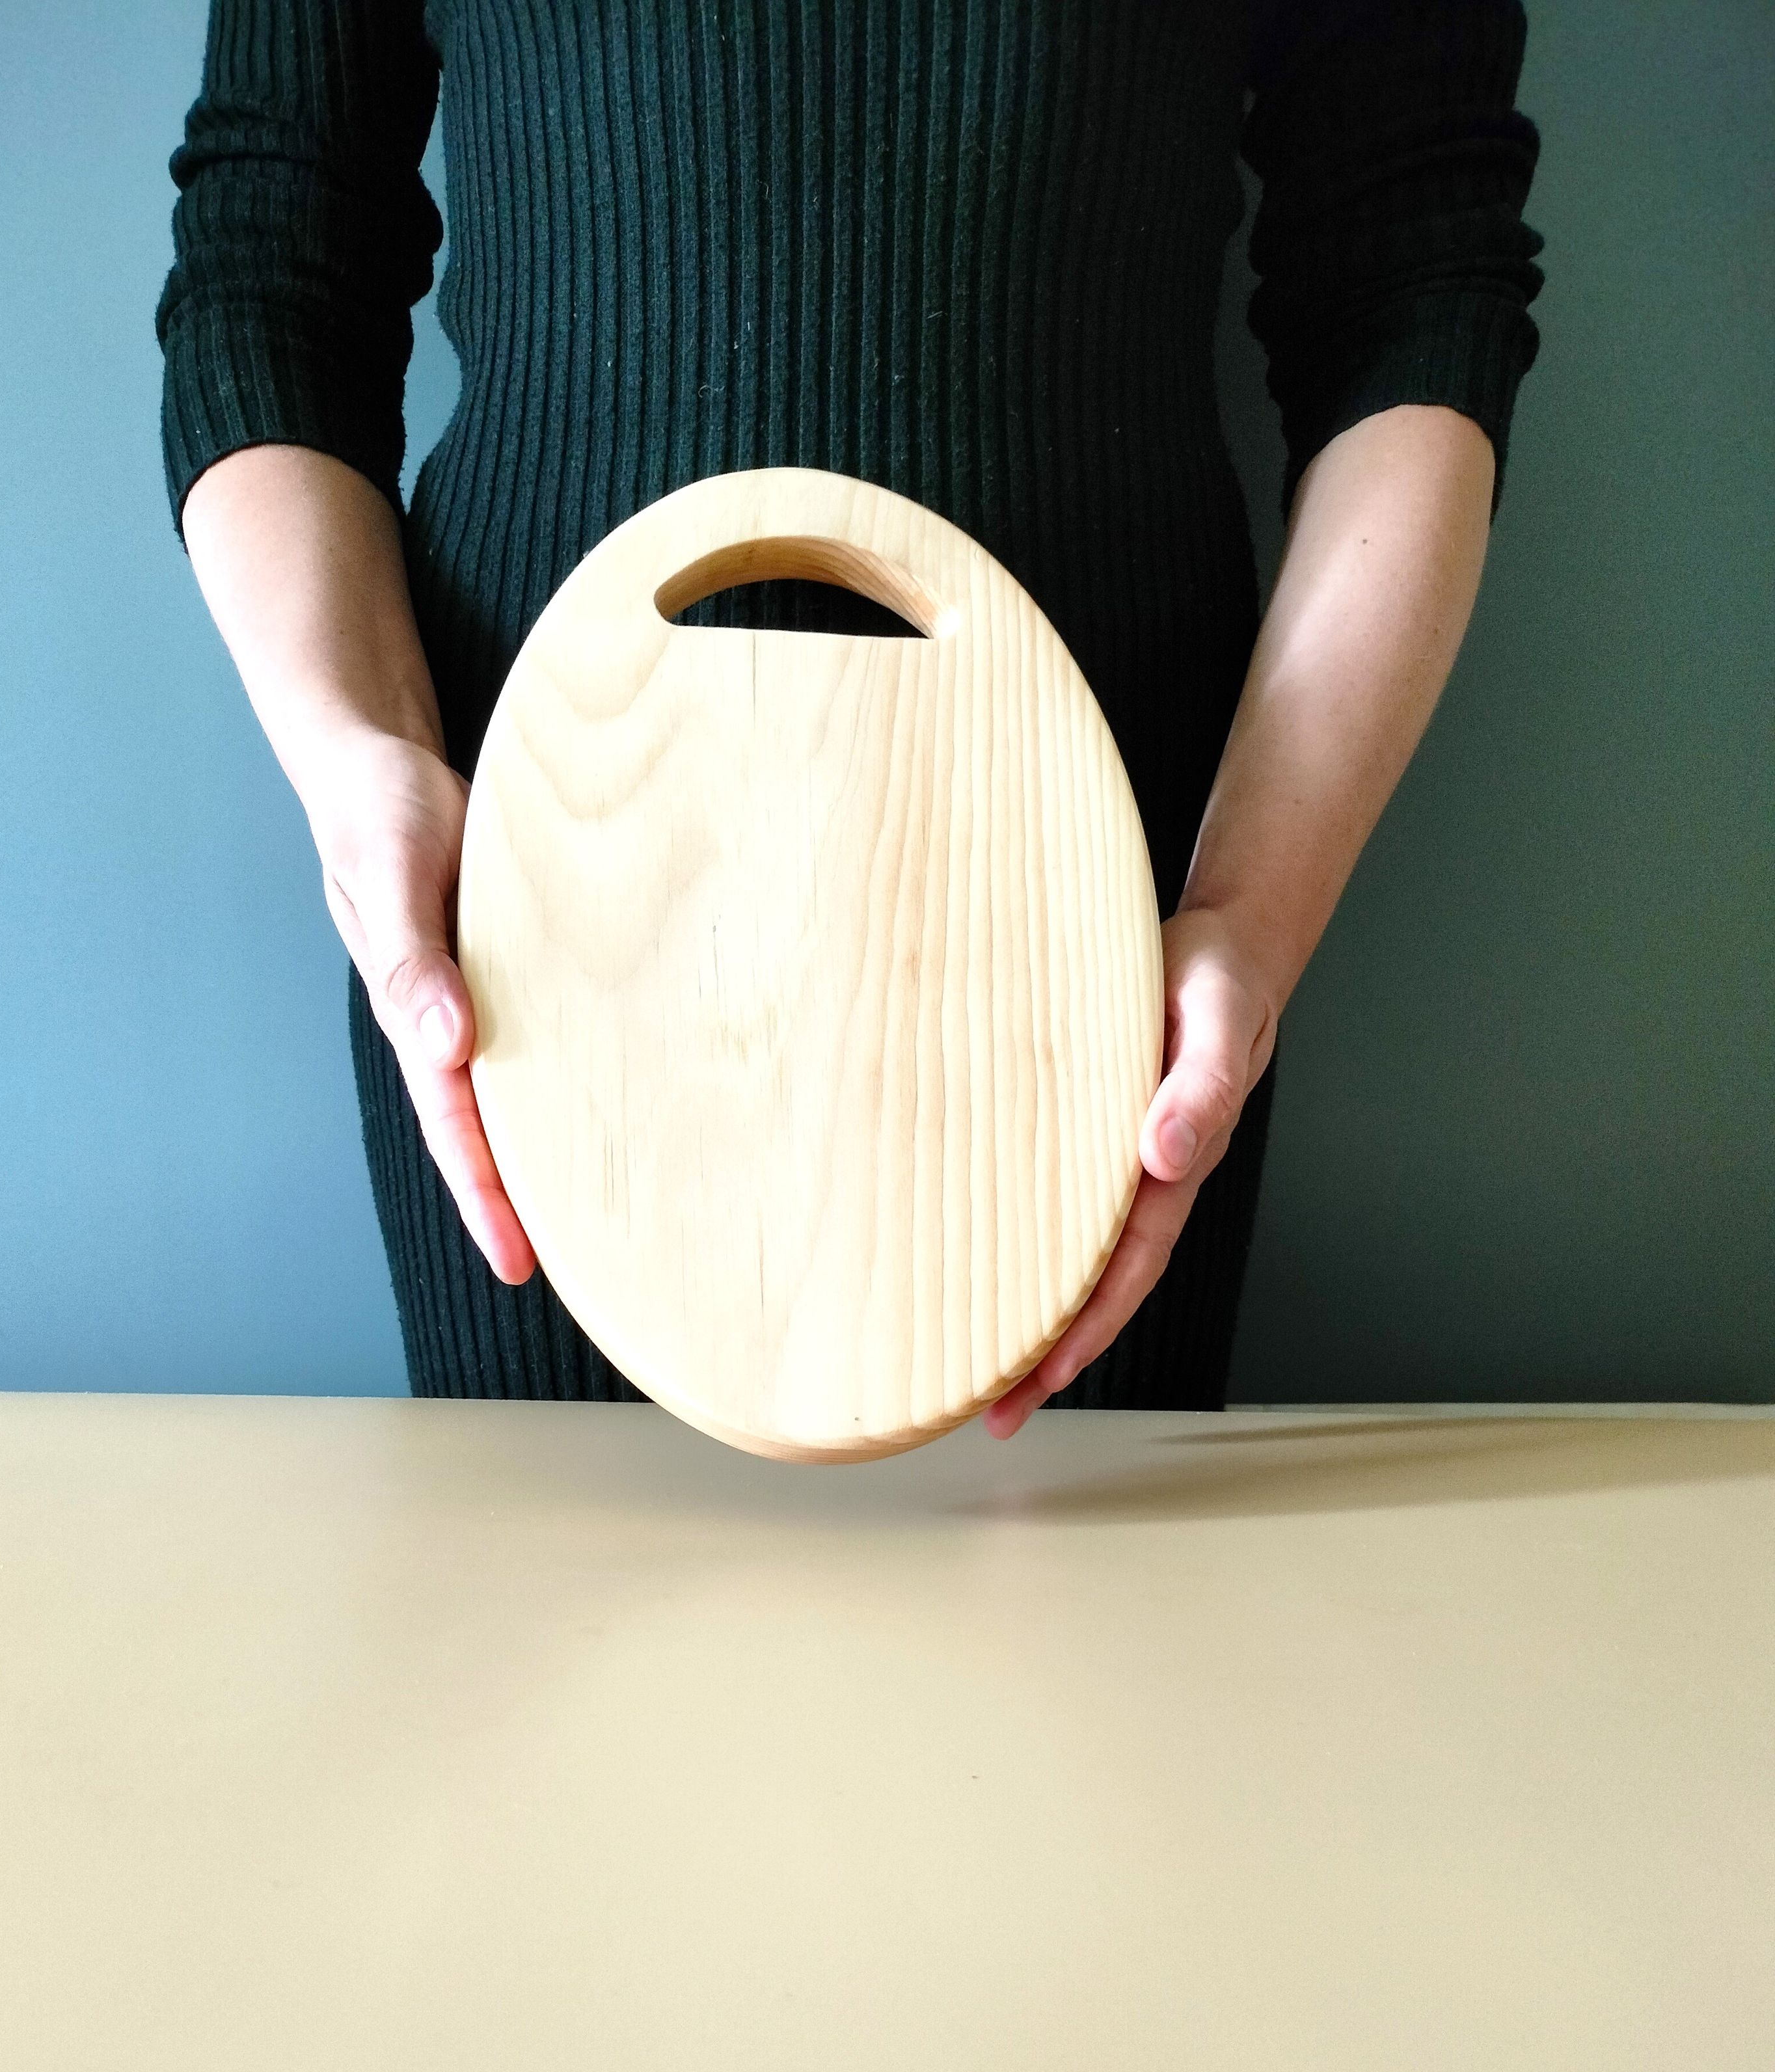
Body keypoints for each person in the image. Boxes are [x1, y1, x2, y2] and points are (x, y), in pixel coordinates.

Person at [157, 1, 1542, 1436]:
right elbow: (271, 256)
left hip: (1093, 964)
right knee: (556, 1575)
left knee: (1068, 1584)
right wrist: (360, 756)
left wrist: (1251, 909)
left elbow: (1414, 275)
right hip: (541, 935)